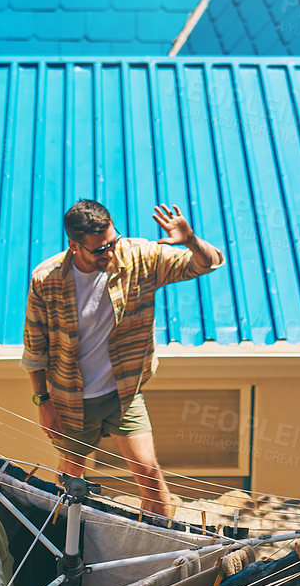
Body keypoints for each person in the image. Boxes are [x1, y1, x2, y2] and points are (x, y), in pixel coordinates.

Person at [22, 198, 224, 518]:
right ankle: (65, 544)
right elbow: (35, 348)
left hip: (124, 394)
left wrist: (190, 240)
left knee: (150, 473)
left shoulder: (138, 257)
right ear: (75, 246)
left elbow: (208, 263)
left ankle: (161, 547)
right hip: (71, 399)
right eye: (100, 249)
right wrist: (42, 401)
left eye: (113, 241)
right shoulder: (46, 280)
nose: (111, 252)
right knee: (72, 478)